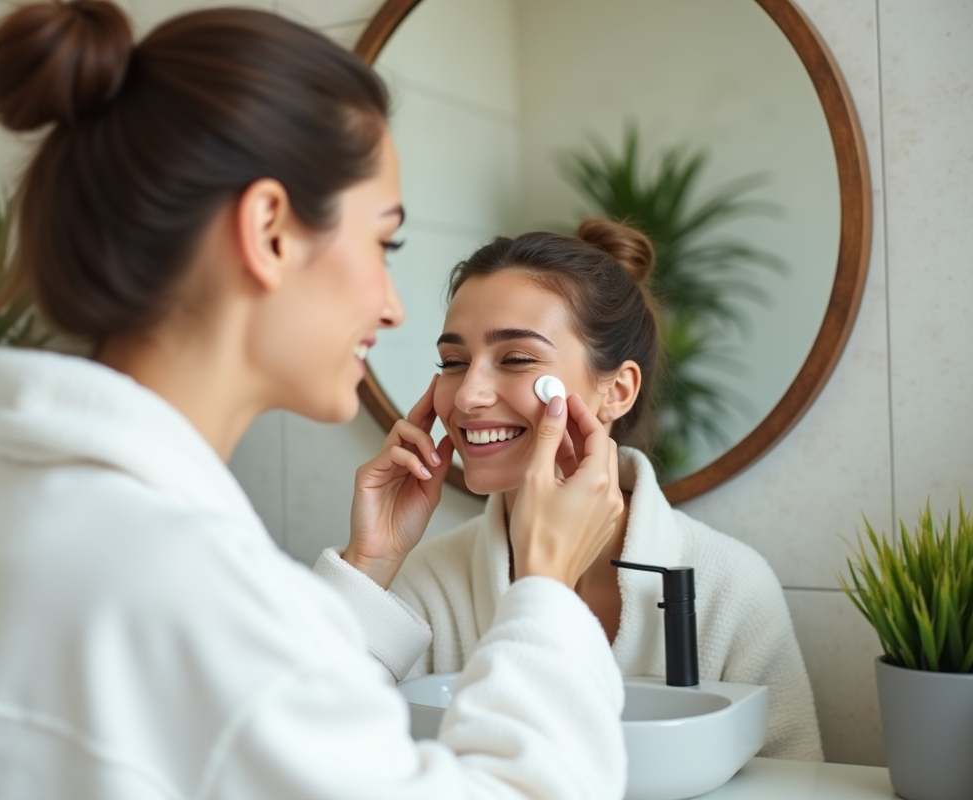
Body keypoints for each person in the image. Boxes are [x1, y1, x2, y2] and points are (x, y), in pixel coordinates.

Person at [0, 3, 632, 798]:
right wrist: (546, 588)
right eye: (381, 242)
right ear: (269, 230)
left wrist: (367, 571)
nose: (392, 307)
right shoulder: (190, 592)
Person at [319, 221, 825, 761]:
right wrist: (370, 564)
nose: (467, 396)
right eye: (454, 363)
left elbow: (797, 785)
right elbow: (311, 760)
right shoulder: (423, 588)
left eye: (517, 359)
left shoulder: (729, 589)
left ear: (618, 389)